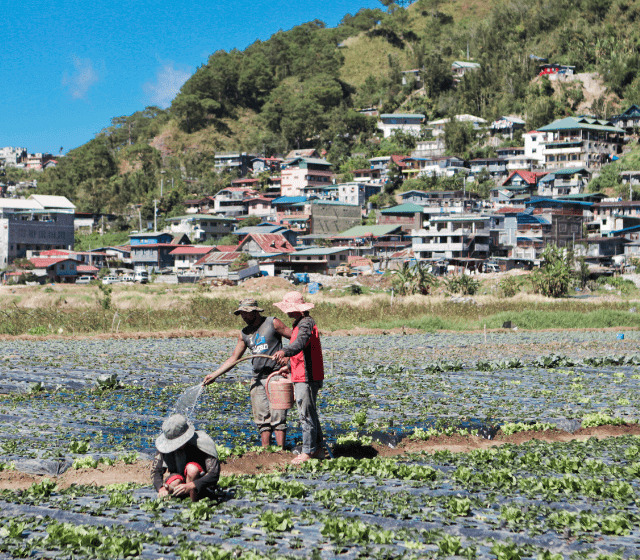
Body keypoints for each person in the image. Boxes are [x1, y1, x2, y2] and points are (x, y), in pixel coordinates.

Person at [202, 298, 291, 449]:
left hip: (276, 375)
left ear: (255, 312)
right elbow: (234, 358)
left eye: (246, 313)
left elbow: (295, 339)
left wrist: (287, 358)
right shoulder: (244, 333)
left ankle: (281, 451)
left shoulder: (272, 323)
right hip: (257, 378)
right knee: (262, 418)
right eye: (241, 314)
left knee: (278, 416)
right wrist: (214, 375)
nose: (243, 317)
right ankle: (266, 452)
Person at [272, 291, 325, 465]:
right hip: (301, 374)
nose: (286, 312)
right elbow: (302, 353)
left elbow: (299, 344)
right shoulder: (299, 323)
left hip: (307, 377)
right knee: (310, 413)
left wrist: (284, 352)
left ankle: (308, 451)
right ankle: (317, 448)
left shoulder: (306, 324)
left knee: (306, 414)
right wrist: (288, 367)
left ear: (298, 309)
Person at [152, 414, 220, 501]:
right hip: (178, 479)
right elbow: (156, 471)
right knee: (173, 483)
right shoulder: (164, 446)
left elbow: (214, 474)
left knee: (192, 469)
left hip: (200, 483)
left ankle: (193, 501)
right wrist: (161, 488)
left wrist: (191, 485)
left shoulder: (203, 442)